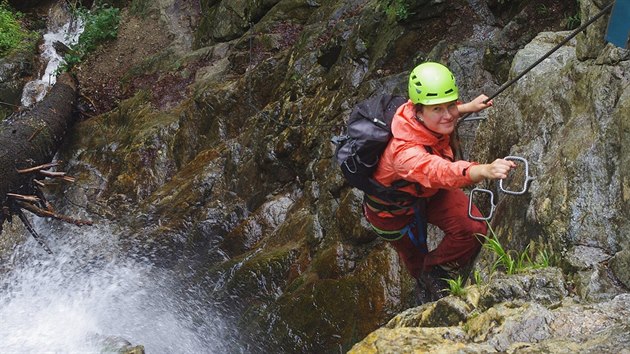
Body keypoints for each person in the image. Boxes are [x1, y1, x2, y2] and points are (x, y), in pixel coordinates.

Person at [362, 62, 515, 302]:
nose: (448, 115)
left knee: (473, 229)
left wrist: (466, 108)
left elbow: (441, 112)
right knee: (414, 258)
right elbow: (440, 171)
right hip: (393, 211)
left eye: (451, 105)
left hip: (429, 192)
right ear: (419, 111)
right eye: (438, 110)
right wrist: (483, 169)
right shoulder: (404, 153)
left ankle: (434, 267)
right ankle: (424, 280)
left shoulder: (416, 112)